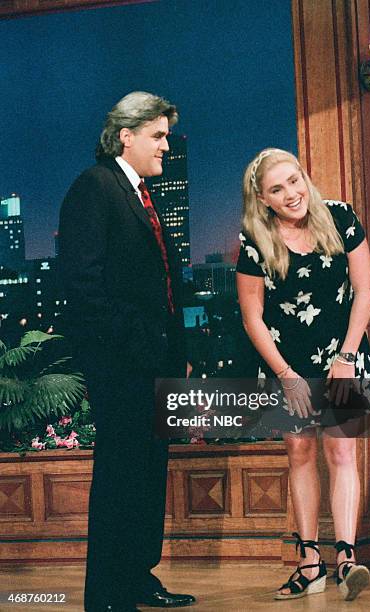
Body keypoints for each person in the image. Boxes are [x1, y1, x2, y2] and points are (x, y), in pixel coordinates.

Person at [59, 92, 195, 612]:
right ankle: (108, 596)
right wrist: (132, 349)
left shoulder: (140, 193)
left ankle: (138, 578)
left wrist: (175, 354)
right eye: (158, 136)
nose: (165, 145)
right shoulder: (95, 188)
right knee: (120, 475)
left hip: (155, 362)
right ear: (126, 135)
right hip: (120, 365)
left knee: (147, 471)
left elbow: (162, 283)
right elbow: (85, 287)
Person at [236, 148, 370, 601]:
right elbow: (252, 316)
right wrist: (285, 373)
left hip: (344, 356)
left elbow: (365, 292)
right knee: (299, 452)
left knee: (341, 454)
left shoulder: (341, 217)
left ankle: (347, 559)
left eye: (294, 181)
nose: (291, 193)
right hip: (286, 365)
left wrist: (347, 358)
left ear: (305, 176)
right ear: (262, 198)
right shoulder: (254, 239)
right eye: (277, 189)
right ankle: (309, 561)